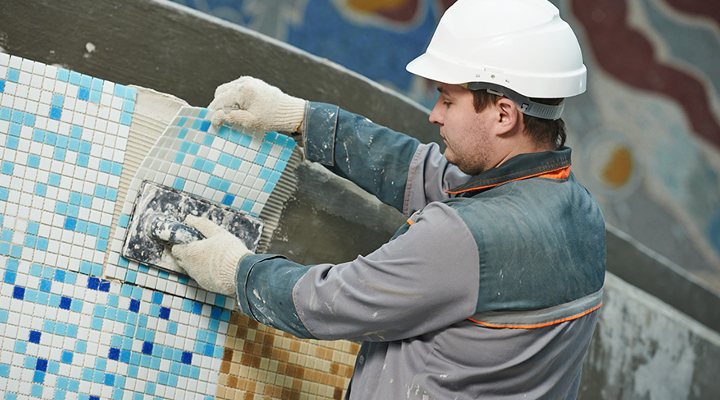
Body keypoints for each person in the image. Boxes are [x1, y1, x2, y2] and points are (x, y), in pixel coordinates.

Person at [171, 0, 606, 398]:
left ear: (503, 114)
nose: (434, 113)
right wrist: (303, 119)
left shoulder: (463, 238)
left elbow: (327, 303)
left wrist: (236, 271)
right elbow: (423, 172)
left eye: (447, 100)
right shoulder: (578, 214)